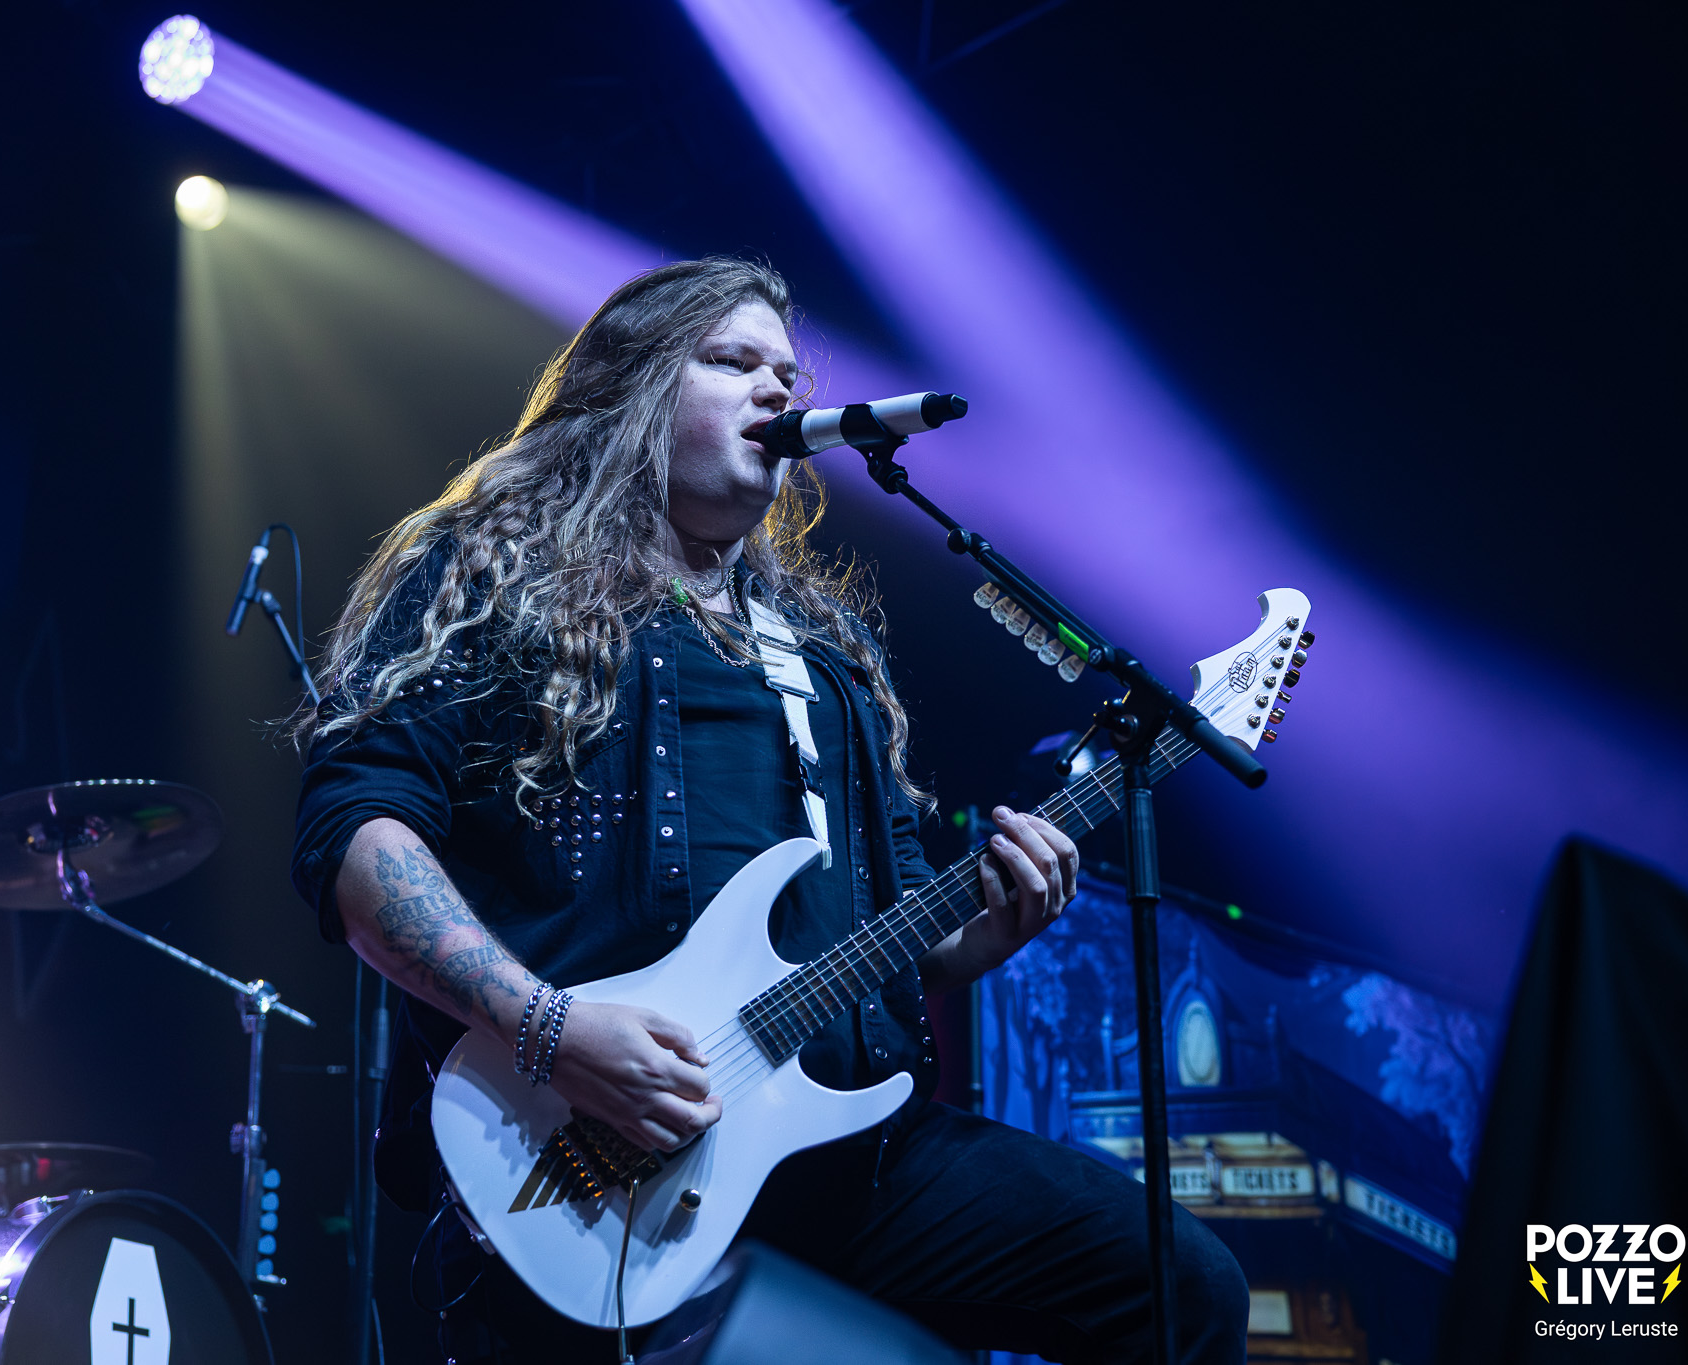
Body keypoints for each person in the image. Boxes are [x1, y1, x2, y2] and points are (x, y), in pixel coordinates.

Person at [292, 257, 1247, 1362]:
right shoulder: (491, 573)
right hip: (591, 1159)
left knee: (1176, 1284)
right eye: (731, 361)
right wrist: (548, 1029)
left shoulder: (824, 649)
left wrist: (981, 934)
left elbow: (891, 930)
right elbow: (357, 831)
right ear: (632, 390)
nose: (777, 391)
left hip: (847, 1151)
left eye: (787, 373)